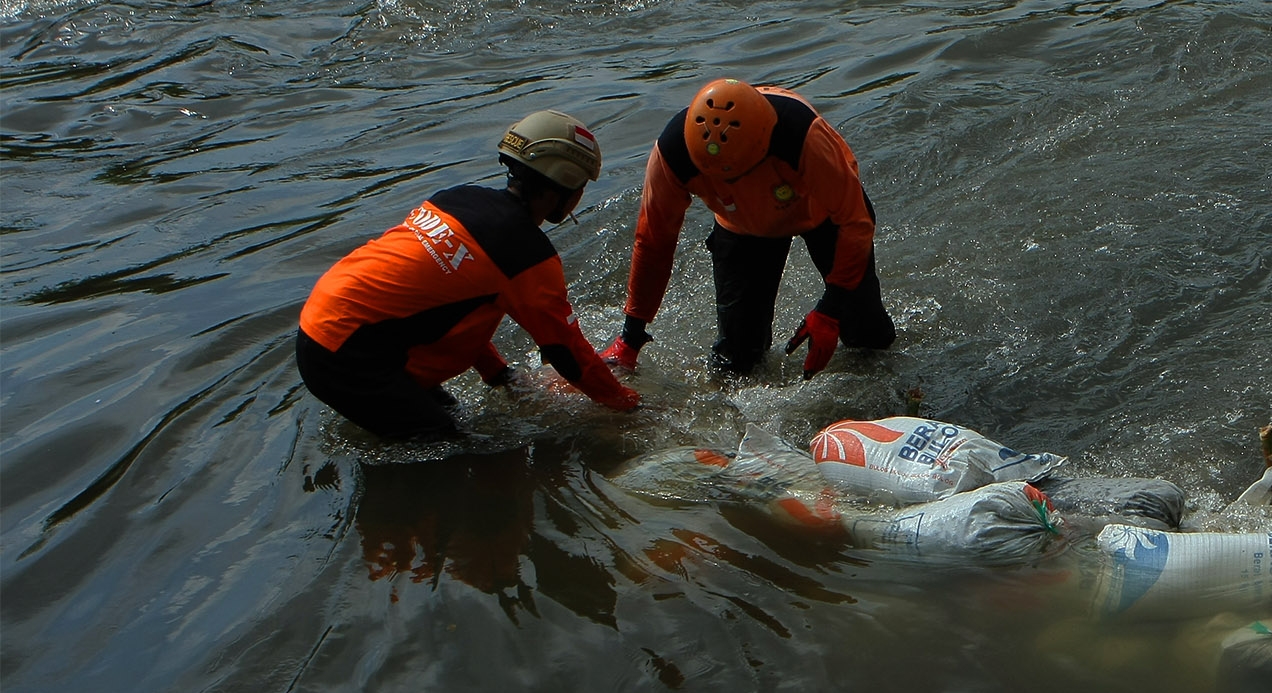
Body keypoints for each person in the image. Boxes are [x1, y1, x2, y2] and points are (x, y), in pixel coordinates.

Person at [297, 111, 640, 441]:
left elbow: (448, 299)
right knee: (456, 451)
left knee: (450, 416)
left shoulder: (456, 198)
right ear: (565, 183)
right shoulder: (525, 254)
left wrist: (500, 375)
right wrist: (628, 407)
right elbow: (567, 352)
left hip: (325, 325)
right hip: (347, 355)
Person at [600, 78, 895, 379]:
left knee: (868, 340)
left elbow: (855, 222)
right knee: (736, 363)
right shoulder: (673, 153)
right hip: (741, 226)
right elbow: (653, 241)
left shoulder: (802, 135)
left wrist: (830, 309)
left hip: (820, 212)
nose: (738, 188)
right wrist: (631, 336)